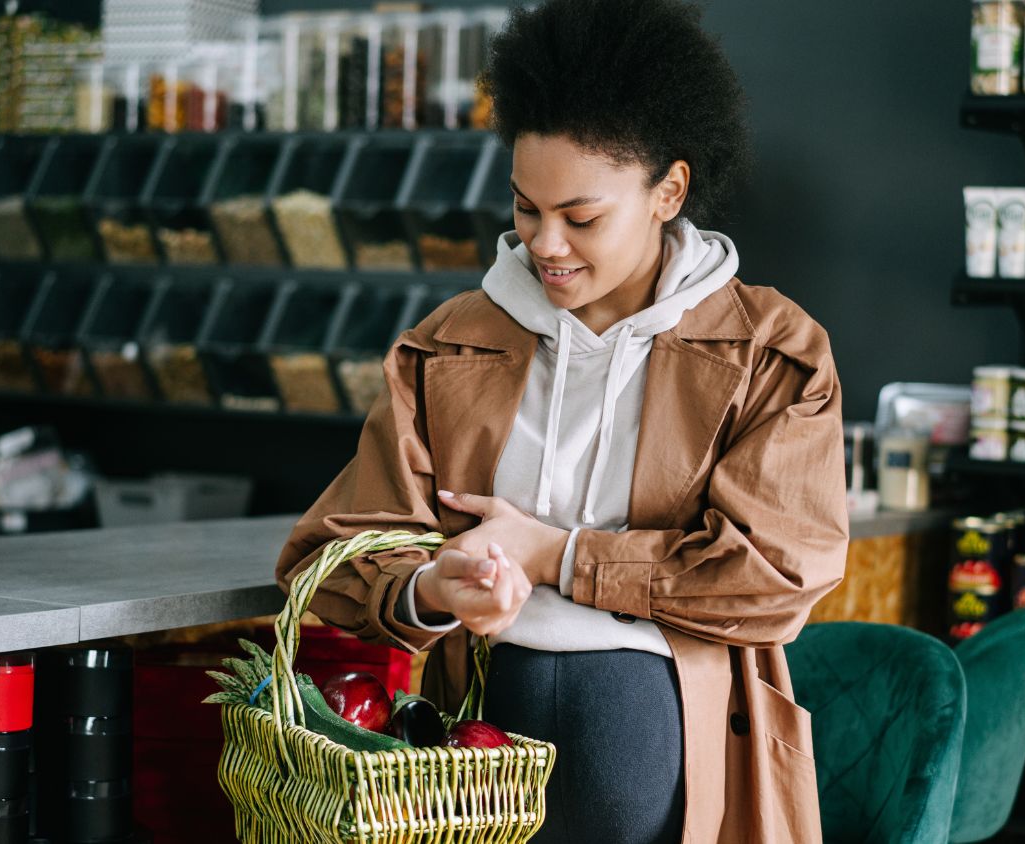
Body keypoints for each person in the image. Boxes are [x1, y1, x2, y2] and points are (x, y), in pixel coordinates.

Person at [275, 0, 849, 840]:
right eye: (524, 208)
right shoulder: (450, 344)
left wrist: (559, 556)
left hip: (653, 746)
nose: (545, 243)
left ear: (669, 191)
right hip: (469, 749)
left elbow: (776, 572)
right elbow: (334, 547)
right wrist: (431, 589)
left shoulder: (772, 351)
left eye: (581, 218)